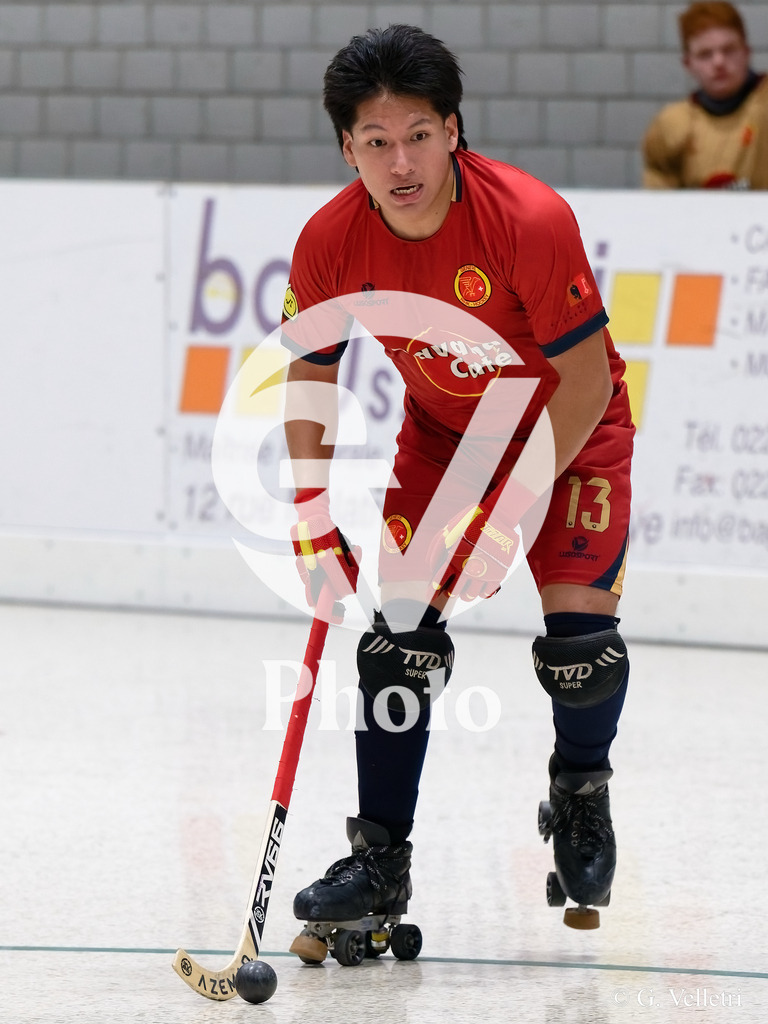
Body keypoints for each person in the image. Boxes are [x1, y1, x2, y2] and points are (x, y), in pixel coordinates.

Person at [280, 25, 634, 957]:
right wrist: (312, 521)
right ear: (346, 148)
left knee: (582, 647)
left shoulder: (527, 218)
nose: (401, 163)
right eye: (376, 142)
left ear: (454, 129)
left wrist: (505, 519)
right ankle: (380, 859)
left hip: (570, 426)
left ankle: (581, 794)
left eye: (420, 136)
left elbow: (588, 382)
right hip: (451, 441)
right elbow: (312, 375)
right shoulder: (328, 241)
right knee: (396, 640)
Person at [642, 1, 768, 189]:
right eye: (705, 54)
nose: (719, 62)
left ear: (746, 52)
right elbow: (660, 207)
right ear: (688, 64)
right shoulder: (671, 126)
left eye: (729, 50)